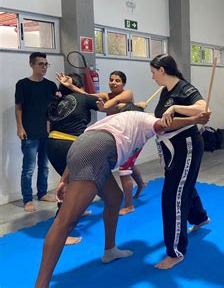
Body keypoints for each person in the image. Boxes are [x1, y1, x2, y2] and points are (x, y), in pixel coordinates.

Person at [34, 109, 211, 288]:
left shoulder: (116, 120)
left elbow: (84, 145)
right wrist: (195, 118)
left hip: (81, 147)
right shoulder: (146, 119)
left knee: (114, 198)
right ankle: (40, 285)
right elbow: (162, 124)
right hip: (96, 153)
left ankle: (110, 250)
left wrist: (65, 178)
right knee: (65, 222)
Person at [150, 54, 210, 269]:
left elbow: (202, 107)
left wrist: (176, 108)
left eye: (153, 72)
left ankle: (175, 252)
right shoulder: (164, 91)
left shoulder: (184, 88)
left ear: (162, 70)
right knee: (184, 184)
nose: (152, 77)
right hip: (171, 147)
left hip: (186, 145)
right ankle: (200, 217)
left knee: (172, 195)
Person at [57, 71, 146, 215]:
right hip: (117, 138)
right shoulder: (105, 96)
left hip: (131, 136)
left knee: (124, 170)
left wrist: (105, 106)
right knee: (129, 164)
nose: (114, 83)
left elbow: (111, 105)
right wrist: (72, 87)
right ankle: (141, 185)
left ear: (123, 83)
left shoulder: (127, 94)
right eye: (111, 80)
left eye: (117, 80)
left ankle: (129, 205)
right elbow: (88, 97)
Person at [47, 73, 100, 244]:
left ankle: (77, 211)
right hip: (69, 146)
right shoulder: (82, 97)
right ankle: (61, 233)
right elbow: (105, 104)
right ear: (78, 86)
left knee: (71, 184)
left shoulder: (59, 101)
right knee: (70, 186)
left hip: (53, 144)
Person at [15, 52, 58, 212]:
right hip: (29, 132)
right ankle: (27, 199)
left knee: (44, 166)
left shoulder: (51, 86)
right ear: (32, 65)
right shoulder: (22, 84)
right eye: (41, 64)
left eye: (46, 64)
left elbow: (55, 109)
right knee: (28, 168)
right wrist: (20, 127)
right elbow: (18, 107)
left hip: (46, 132)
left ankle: (42, 193)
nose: (44, 67)